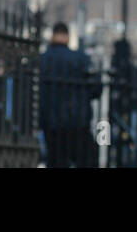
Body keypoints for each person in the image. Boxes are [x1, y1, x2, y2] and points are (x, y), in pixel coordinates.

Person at [39, 22, 95, 167]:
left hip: (52, 122)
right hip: (78, 121)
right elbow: (96, 89)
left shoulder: (43, 59)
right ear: (68, 37)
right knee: (86, 160)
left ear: (52, 36)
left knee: (56, 161)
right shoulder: (81, 59)